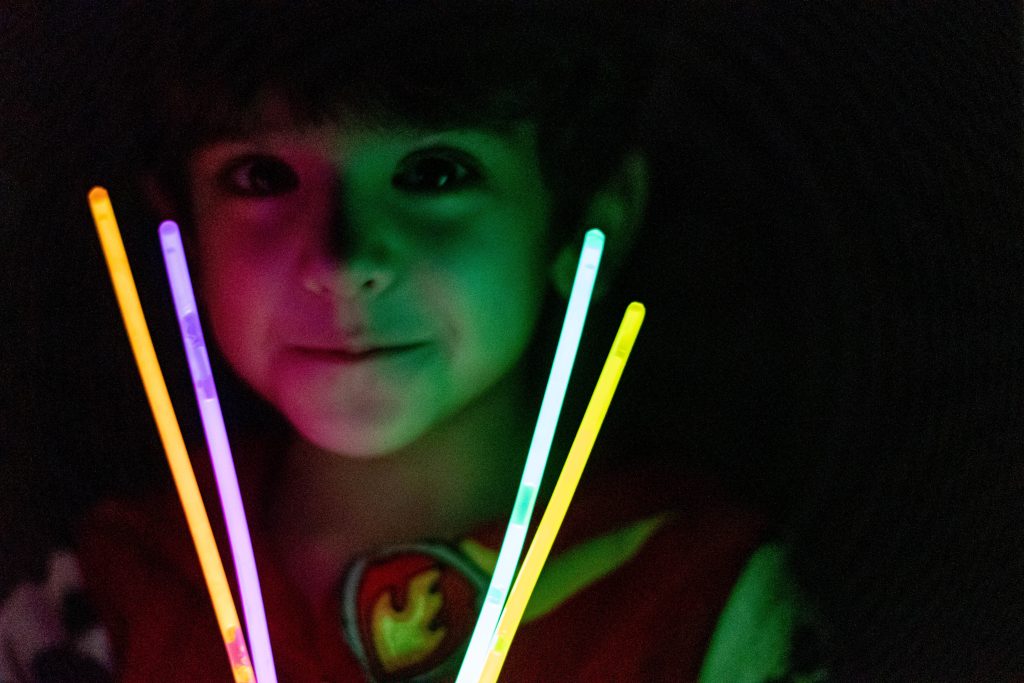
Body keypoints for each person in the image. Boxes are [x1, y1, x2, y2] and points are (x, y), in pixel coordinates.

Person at [0, 2, 830, 681]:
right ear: (176, 222)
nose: (343, 256)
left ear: (590, 218)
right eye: (261, 176)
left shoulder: (700, 602)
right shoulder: (109, 593)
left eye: (435, 172)